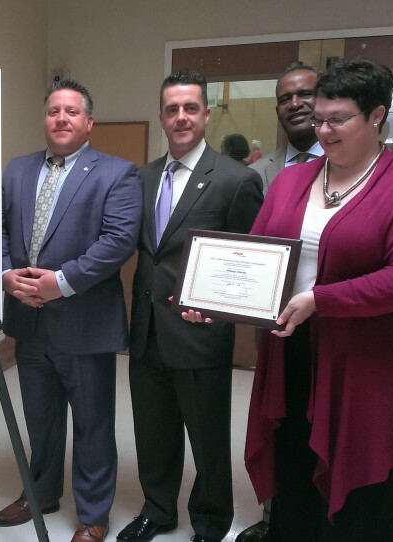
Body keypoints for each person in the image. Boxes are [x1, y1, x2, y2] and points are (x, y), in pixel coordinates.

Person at [240, 57, 393, 542]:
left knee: (365, 499)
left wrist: (321, 300)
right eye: (319, 119)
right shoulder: (291, 181)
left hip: (370, 364)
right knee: (296, 480)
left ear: (376, 116)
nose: (323, 130)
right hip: (294, 356)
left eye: (338, 119)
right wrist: (217, 303)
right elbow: (256, 256)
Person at [118, 69, 263, 542]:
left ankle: (210, 520)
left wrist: (221, 307)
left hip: (201, 334)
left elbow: (249, 262)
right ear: (161, 116)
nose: (181, 117)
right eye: (172, 109)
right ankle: (158, 510)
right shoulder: (140, 178)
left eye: (191, 108)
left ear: (205, 114)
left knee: (207, 439)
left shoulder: (235, 179)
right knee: (153, 434)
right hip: (147, 332)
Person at [0, 79, 141, 542]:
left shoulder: (117, 173)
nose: (61, 118)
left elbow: (117, 241)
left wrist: (61, 283)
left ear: (89, 122)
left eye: (71, 112)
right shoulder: (17, 170)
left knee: (93, 423)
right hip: (27, 319)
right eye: (53, 111)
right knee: (40, 418)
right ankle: (40, 493)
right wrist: (4, 274)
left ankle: (94, 514)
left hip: (86, 322)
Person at [237, 61, 323, 542]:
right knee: (277, 420)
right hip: (274, 325)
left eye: (306, 93)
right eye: (286, 97)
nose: (297, 103)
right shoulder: (260, 173)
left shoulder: (360, 168)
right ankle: (276, 517)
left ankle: (324, 513)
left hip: (335, 321)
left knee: (325, 423)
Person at [250, 62, 324, 194]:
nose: (294, 104)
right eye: (285, 99)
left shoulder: (352, 164)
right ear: (278, 112)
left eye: (306, 94)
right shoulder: (255, 173)